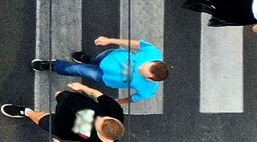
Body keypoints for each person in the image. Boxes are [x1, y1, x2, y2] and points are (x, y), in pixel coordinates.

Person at [2, 82, 126, 142]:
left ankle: (26, 112)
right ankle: (56, 99)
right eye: (105, 117)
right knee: (58, 94)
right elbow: (98, 95)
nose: (98, 117)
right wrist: (81, 87)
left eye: (97, 122)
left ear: (101, 134)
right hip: (72, 101)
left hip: (62, 126)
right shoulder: (115, 111)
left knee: (40, 119)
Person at [32, 36, 168, 104]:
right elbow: (136, 44)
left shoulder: (148, 90)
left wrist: (118, 102)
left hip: (104, 76)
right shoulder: (153, 52)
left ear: (150, 78)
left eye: (142, 71)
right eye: (144, 64)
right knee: (94, 60)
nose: (140, 67)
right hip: (110, 56)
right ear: (155, 61)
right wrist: (110, 40)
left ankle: (52, 65)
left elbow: (134, 98)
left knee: (78, 69)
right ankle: (88, 59)